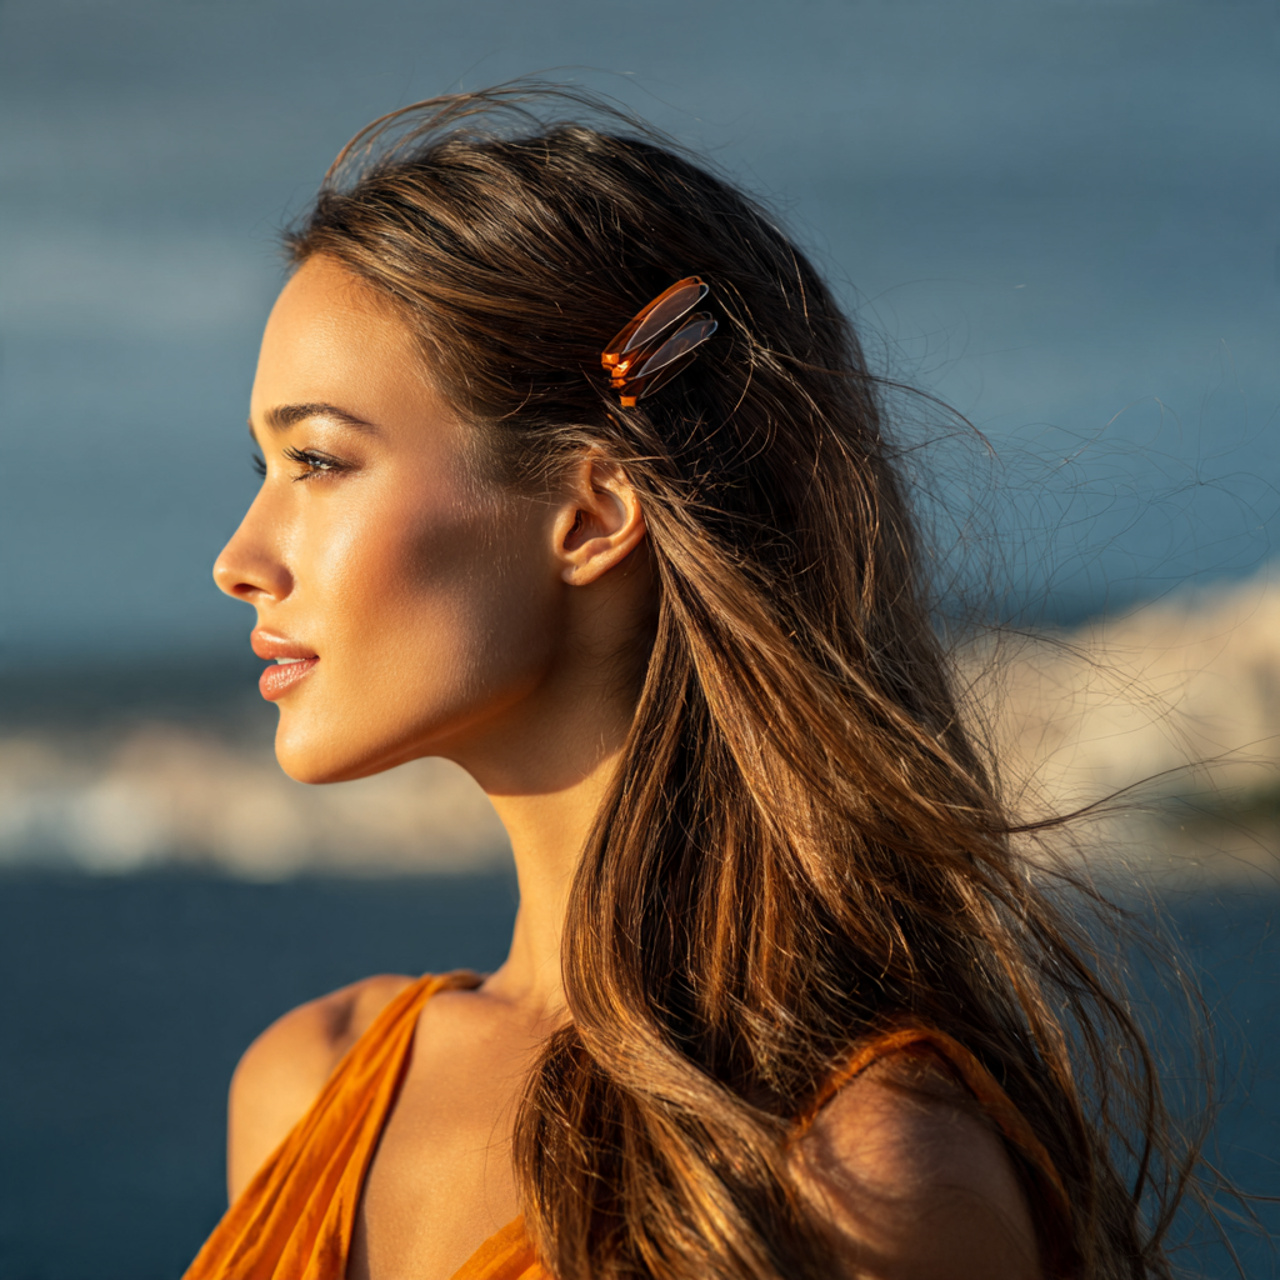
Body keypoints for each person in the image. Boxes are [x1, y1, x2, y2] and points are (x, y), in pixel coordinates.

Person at [188, 84, 1194, 1280]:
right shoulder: (309, 1084)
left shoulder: (861, 1181)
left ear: (589, 509)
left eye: (316, 460)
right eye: (265, 465)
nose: (238, 559)